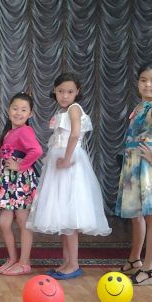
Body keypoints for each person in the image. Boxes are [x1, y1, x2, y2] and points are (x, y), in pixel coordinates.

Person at [27, 73, 111, 280]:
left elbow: (74, 133)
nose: (65, 95)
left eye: (70, 91)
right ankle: (67, 262)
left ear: (77, 92)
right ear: (55, 91)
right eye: (61, 91)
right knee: (63, 215)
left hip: (70, 163)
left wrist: (66, 158)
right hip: (60, 162)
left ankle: (73, 264)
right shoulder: (62, 111)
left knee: (69, 215)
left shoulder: (74, 108)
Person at [115, 62, 152, 285]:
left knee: (151, 216)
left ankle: (150, 269)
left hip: (147, 168)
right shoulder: (142, 106)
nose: (148, 84)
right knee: (137, 215)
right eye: (143, 80)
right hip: (135, 165)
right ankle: (135, 259)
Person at [0, 93, 43, 276]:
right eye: (15, 108)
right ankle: (13, 258)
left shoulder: (25, 131)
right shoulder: (9, 132)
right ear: (8, 111)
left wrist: (20, 166)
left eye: (23, 110)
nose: (18, 113)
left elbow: (36, 151)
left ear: (30, 114)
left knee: (23, 221)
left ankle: (24, 263)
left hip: (20, 181)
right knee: (4, 222)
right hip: (8, 181)